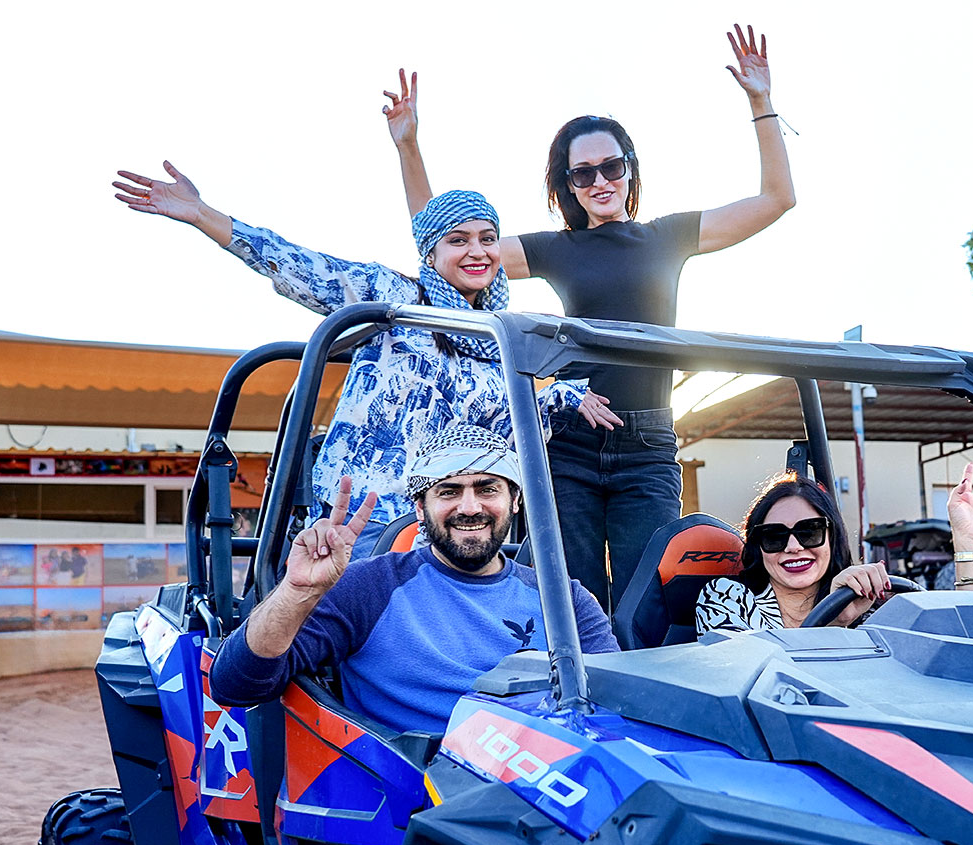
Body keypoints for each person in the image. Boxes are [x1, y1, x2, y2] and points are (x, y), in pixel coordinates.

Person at [385, 23, 795, 610]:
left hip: (646, 442)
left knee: (648, 601)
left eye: (611, 167)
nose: (600, 181)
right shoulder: (557, 249)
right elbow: (443, 248)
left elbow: (775, 200)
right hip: (570, 443)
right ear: (568, 185)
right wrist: (409, 147)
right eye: (583, 174)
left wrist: (762, 103)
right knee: (569, 598)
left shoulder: (668, 236)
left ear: (629, 169)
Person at [111, 168, 619, 556]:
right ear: (431, 253)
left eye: (487, 239)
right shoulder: (397, 298)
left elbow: (496, 420)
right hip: (361, 511)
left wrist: (563, 396)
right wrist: (205, 217)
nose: (477, 252)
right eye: (458, 240)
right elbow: (303, 268)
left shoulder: (501, 339)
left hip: (441, 522)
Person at [209, 427, 619, 734]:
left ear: (514, 501)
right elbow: (235, 685)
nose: (470, 507)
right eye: (449, 491)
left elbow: (616, 708)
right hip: (411, 802)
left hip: (545, 789)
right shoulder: (368, 587)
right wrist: (297, 591)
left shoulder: (566, 599)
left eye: (487, 488)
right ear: (420, 509)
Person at [695, 463, 973, 635]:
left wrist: (968, 540)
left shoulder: (868, 604)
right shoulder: (726, 598)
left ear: (832, 536)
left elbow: (972, 640)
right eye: (774, 536)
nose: (792, 546)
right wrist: (832, 620)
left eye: (809, 532)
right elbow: (749, 682)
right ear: (758, 545)